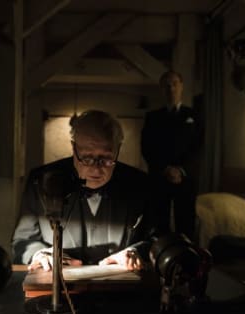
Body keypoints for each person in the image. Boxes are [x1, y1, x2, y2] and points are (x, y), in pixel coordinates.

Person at [12, 110, 158, 271]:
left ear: (118, 149)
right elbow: (22, 242)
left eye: (106, 158)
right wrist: (39, 254)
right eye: (87, 158)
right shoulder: (41, 181)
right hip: (56, 288)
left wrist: (137, 251)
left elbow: (158, 239)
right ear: (74, 148)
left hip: (122, 290)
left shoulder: (142, 184)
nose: (96, 169)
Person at [141, 70, 203, 240]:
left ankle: (187, 259)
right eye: (167, 85)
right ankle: (161, 258)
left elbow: (199, 147)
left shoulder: (194, 116)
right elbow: (147, 148)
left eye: (174, 83)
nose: (171, 88)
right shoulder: (152, 117)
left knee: (186, 221)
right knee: (160, 221)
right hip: (160, 176)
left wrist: (181, 170)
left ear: (181, 86)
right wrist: (165, 169)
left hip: (186, 177)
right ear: (162, 89)